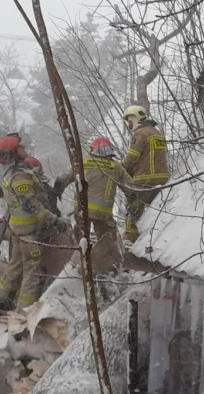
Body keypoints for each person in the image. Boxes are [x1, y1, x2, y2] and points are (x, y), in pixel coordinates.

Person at [0, 133, 72, 310]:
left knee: (15, 267)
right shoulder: (19, 176)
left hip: (20, 230)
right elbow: (31, 206)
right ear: (12, 153)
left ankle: (0, 299)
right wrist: (56, 221)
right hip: (28, 232)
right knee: (33, 271)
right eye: (20, 147)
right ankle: (24, 312)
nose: (24, 149)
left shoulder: (16, 172)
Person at [54, 137, 131, 275]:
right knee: (108, 239)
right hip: (103, 214)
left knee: (82, 237)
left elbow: (62, 179)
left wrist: (56, 194)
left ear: (93, 150)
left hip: (82, 210)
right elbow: (131, 188)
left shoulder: (82, 163)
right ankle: (110, 267)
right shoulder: (116, 167)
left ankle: (81, 264)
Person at [120, 105, 170, 242]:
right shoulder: (156, 133)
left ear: (135, 118)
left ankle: (130, 238)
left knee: (133, 209)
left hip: (145, 179)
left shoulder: (140, 134)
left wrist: (121, 166)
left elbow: (132, 157)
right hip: (163, 178)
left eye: (129, 121)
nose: (129, 125)